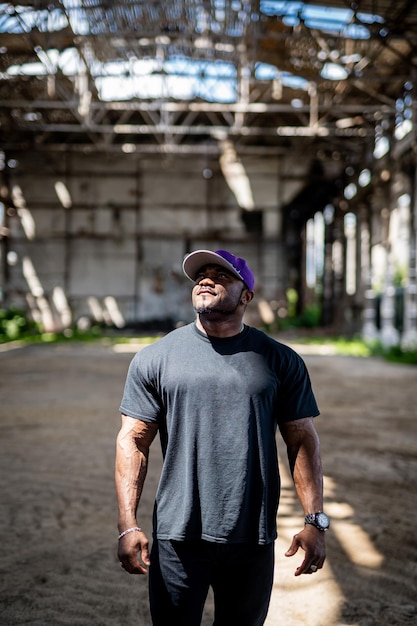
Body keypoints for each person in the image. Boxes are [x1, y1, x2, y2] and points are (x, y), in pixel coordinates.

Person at [115, 249, 329, 626]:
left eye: (221, 275)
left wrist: (315, 520)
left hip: (252, 534)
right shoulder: (155, 358)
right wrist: (128, 524)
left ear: (246, 295)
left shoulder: (280, 359)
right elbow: (133, 440)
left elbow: (301, 441)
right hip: (178, 534)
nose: (206, 279)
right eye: (200, 274)